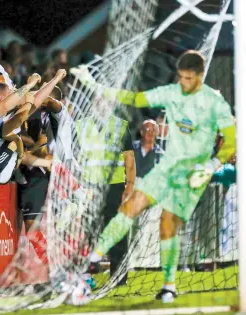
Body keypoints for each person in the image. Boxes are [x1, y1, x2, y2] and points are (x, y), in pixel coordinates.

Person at [71, 50, 236, 301]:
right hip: (166, 168)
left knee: (167, 225)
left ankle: (169, 285)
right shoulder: (171, 93)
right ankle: (94, 260)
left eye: (189, 78)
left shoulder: (215, 103)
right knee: (130, 207)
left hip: (190, 173)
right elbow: (134, 98)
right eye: (181, 77)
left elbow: (232, 141)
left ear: (200, 76)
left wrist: (211, 165)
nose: (184, 82)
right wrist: (94, 85)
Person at [74, 92, 136, 286]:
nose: (102, 104)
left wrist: (130, 186)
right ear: (92, 103)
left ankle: (119, 275)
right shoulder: (81, 126)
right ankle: (85, 275)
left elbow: (129, 159)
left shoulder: (120, 126)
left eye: (106, 101)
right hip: (89, 186)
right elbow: (75, 157)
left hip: (114, 188)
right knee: (87, 232)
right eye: (98, 100)